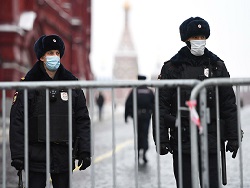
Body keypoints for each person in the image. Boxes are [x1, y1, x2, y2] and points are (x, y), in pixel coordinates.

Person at [153, 17, 240, 188]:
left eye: (202, 37)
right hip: (182, 139)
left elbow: (228, 103)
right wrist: (161, 139)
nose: (199, 41)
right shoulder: (172, 68)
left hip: (212, 138)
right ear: (186, 40)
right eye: (195, 38)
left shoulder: (217, 66)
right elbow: (161, 105)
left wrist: (233, 136)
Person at [9, 34, 91, 188]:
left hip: (63, 154)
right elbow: (17, 120)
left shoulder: (71, 83)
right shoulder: (29, 84)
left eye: (57, 53)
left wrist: (85, 151)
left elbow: (82, 118)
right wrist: (18, 155)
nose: (55, 57)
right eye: (50, 53)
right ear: (41, 57)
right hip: (35, 154)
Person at [125, 75, 154, 164]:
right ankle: (144, 154)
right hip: (146, 116)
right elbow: (154, 103)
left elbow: (128, 104)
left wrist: (128, 115)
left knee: (138, 135)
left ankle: (138, 154)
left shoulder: (134, 91)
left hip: (137, 116)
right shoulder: (149, 92)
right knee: (145, 135)